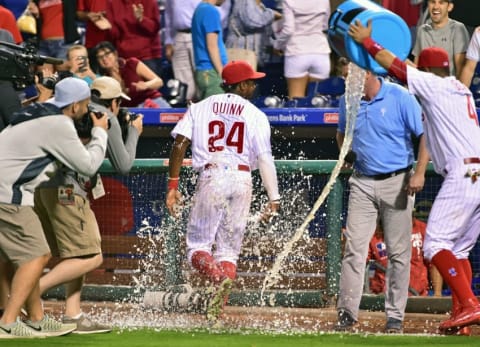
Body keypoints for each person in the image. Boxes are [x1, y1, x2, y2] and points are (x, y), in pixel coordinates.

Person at [348, 18, 480, 336]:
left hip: (463, 174)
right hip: (476, 173)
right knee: (458, 250)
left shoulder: (433, 85)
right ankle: (464, 312)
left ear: (425, 67)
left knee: (434, 245)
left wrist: (368, 42)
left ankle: (471, 305)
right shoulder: (458, 89)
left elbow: (395, 66)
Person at [165, 60, 281, 323]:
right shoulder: (255, 114)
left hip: (213, 174)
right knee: (228, 252)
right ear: (240, 85)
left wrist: (173, 184)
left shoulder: (200, 107)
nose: (254, 85)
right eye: (250, 81)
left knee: (197, 247)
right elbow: (264, 158)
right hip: (242, 178)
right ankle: (217, 310)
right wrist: (274, 197)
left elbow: (180, 143)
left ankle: (216, 277)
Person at [0, 77, 108, 338]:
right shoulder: (59, 124)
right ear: (73, 106)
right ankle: (8, 322)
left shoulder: (43, 109)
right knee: (37, 256)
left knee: (22, 256)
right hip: (8, 193)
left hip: (11, 190)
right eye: (83, 104)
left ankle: (37, 319)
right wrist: (100, 131)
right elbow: (88, 166)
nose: (85, 110)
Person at [35, 76, 142, 334]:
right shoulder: (104, 115)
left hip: (40, 188)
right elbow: (124, 165)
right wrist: (135, 133)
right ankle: (29, 293)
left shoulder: (66, 109)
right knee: (92, 256)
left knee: (73, 253)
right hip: (68, 192)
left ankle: (73, 313)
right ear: (114, 102)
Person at [335, 68, 429, 333]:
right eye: (343, 77)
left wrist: (420, 171)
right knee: (354, 249)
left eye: (349, 76)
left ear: (366, 73)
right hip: (362, 182)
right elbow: (341, 134)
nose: (346, 82)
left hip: (397, 181)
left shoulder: (399, 96)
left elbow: (425, 134)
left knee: (399, 254)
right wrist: (347, 155)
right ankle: (346, 314)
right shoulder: (347, 100)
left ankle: (395, 317)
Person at [272, 0, 331, 98]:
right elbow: (325, 26)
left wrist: (277, 46)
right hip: (321, 52)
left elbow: (288, 30)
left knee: (296, 102)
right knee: (319, 102)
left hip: (297, 52)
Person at [94, 41, 170, 108]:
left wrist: (146, 85)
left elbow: (159, 81)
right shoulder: (104, 79)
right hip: (130, 110)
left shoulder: (131, 63)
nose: (104, 58)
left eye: (107, 54)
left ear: (115, 54)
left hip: (151, 101)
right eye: (100, 57)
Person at [367, 215, 429, 297]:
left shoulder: (420, 228)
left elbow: (434, 263)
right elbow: (359, 262)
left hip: (417, 296)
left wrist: (437, 294)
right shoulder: (373, 234)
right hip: (383, 297)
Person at [412, 0, 469, 78]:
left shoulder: (458, 29)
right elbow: (416, 65)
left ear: (449, 7)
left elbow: (460, 70)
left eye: (441, 3)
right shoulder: (422, 30)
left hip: (448, 87)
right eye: (432, 2)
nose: (436, 7)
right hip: (424, 86)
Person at [106, 0, 163, 78]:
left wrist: (142, 19)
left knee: (151, 89)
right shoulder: (112, 3)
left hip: (148, 57)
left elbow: (154, 29)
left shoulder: (149, 2)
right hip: (125, 58)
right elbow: (115, 35)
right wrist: (108, 28)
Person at [225, 0, 282, 69]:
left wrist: (276, 46)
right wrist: (272, 14)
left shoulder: (261, 7)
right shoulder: (243, 2)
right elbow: (251, 22)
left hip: (254, 59)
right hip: (239, 56)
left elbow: (263, 35)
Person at [164, 0, 201, 102]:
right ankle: (188, 111)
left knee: (201, 77)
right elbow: (168, 14)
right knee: (183, 84)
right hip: (178, 35)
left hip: (198, 33)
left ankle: (203, 111)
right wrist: (168, 40)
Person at [191, 0, 228, 100]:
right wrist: (222, 73)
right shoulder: (211, 11)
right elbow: (212, 46)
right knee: (217, 113)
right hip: (212, 72)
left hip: (204, 72)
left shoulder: (200, 9)